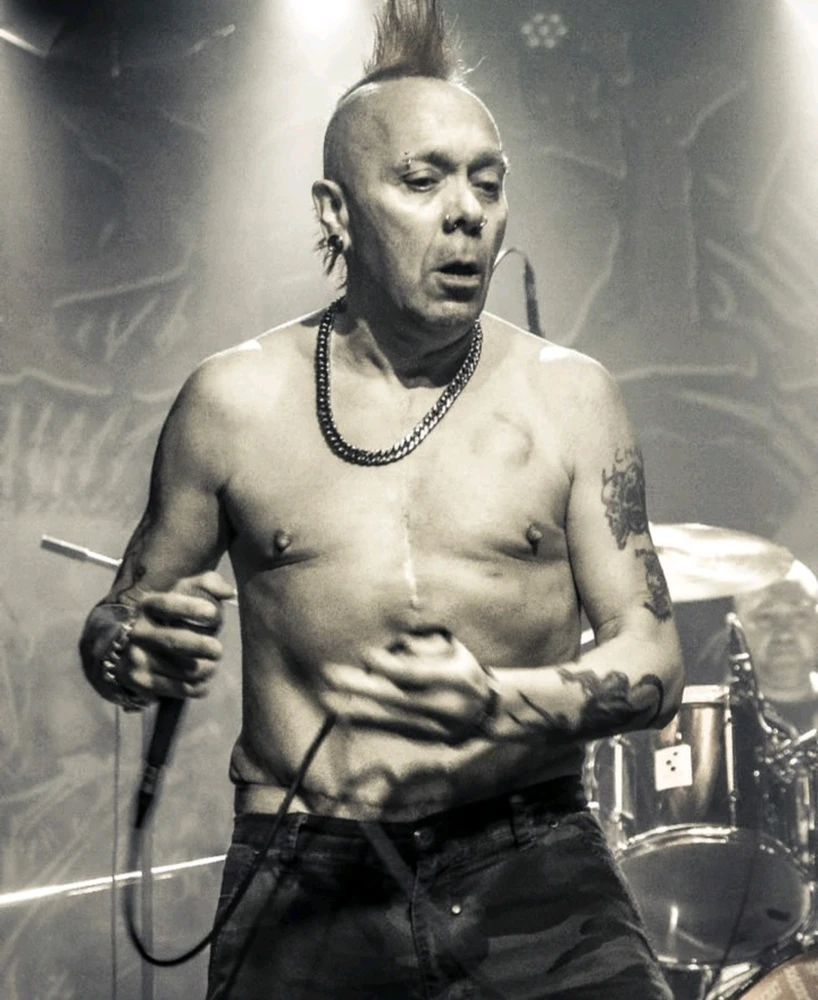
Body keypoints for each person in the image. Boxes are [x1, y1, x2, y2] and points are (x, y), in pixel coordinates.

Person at [79, 1, 684, 997]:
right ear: (335, 211)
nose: (466, 212)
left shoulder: (573, 397)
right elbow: (121, 618)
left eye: (487, 182)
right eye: (422, 179)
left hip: (530, 852)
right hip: (305, 867)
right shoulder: (230, 403)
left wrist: (504, 703)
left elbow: (652, 656)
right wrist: (128, 648)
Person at [697, 561, 818, 734]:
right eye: (765, 617)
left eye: (800, 616)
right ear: (735, 626)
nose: (784, 634)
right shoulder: (712, 721)